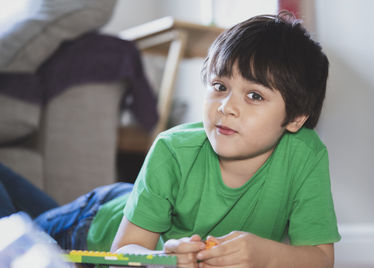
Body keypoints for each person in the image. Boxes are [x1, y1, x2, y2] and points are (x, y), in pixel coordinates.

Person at [1, 11, 341, 268]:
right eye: (220, 86)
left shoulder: (306, 156)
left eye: (254, 96)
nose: (226, 107)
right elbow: (125, 250)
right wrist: (161, 259)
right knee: (13, 232)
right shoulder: (172, 148)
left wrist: (264, 253)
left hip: (138, 200)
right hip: (94, 222)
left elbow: (321, 258)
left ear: (296, 119)